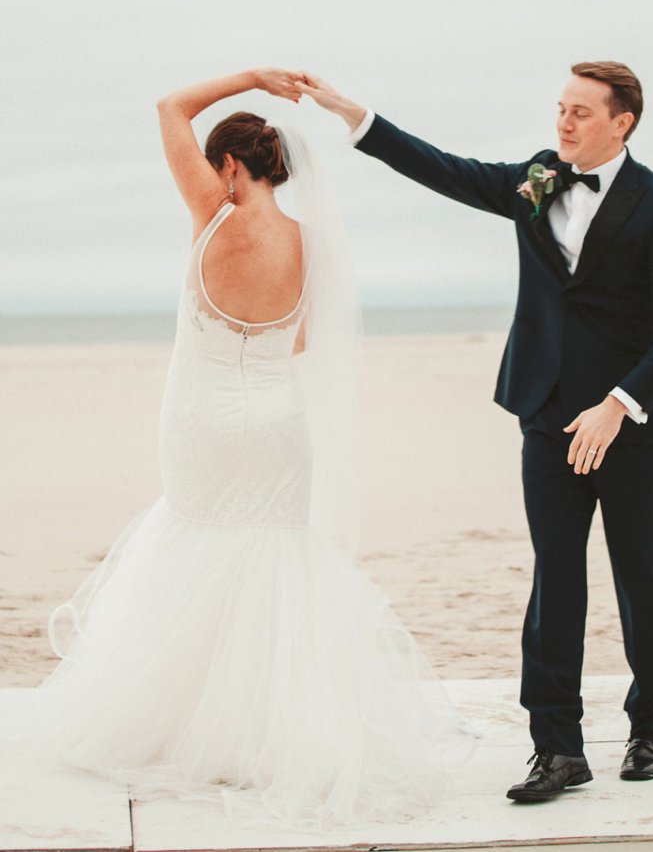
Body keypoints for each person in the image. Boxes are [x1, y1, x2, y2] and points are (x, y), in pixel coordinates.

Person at [1, 69, 469, 831]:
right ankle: (267, 733)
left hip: (203, 416)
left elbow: (168, 105)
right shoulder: (311, 244)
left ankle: (187, 726)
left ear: (227, 167)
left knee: (194, 547)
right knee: (275, 563)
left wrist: (251, 77)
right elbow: (304, 340)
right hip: (279, 424)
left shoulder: (213, 214)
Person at [296, 59, 653, 803]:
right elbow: (444, 170)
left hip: (633, 426)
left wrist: (620, 403)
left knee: (639, 577)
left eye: (581, 112)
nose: (563, 122)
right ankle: (556, 748)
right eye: (560, 109)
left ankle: (649, 728)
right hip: (549, 416)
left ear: (622, 123)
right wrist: (352, 114)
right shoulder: (537, 180)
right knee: (555, 582)